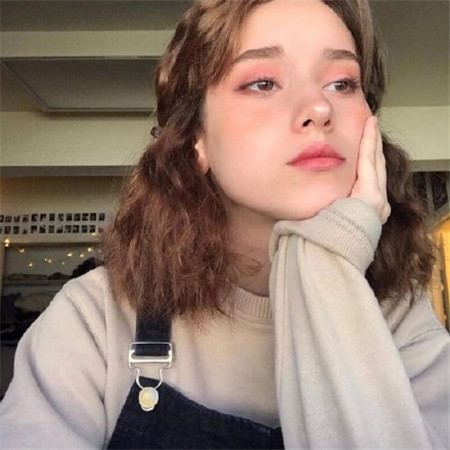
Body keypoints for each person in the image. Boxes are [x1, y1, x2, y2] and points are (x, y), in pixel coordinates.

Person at [1, 0, 449, 448]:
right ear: (196, 139)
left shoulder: (402, 320)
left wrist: (326, 256)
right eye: (263, 83)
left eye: (342, 83)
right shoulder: (94, 319)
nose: (319, 106)